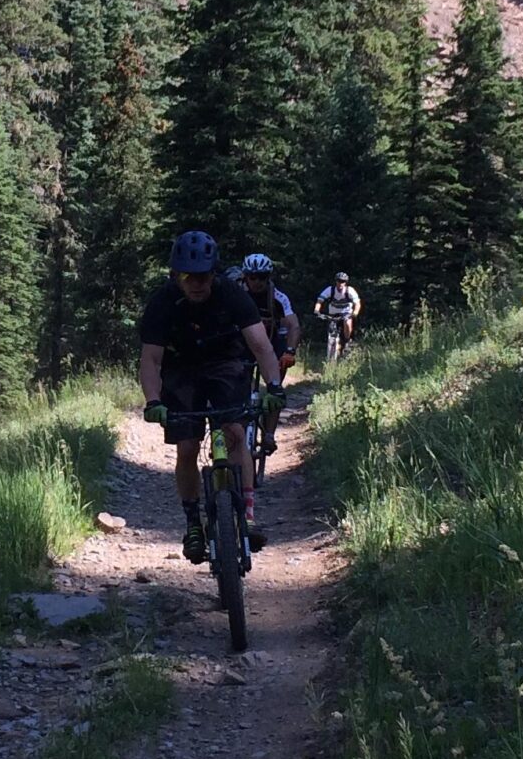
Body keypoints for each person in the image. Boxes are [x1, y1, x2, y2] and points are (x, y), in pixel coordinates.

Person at [138, 230, 285, 565]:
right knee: (187, 447)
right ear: (176, 275)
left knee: (235, 433)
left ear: (213, 273)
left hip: (226, 364)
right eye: (189, 277)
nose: (197, 284)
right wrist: (153, 400)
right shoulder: (162, 302)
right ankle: (193, 523)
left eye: (203, 276)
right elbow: (151, 359)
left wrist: (274, 386)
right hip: (181, 371)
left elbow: (261, 346)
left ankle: (246, 515)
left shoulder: (232, 295)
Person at [238, 254, 300, 454]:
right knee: (236, 383)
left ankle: (269, 435)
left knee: (275, 390)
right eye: (252, 277)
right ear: (245, 276)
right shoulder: (236, 294)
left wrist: (290, 351)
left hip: (274, 344)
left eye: (262, 277)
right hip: (245, 344)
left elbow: (293, 325)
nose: (257, 282)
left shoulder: (278, 297)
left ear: (268, 277)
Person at [314, 271, 363, 357]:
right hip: (333, 314)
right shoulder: (330, 290)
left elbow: (357, 303)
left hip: (346, 312)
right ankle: (332, 352)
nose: (341, 283)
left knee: (347, 322)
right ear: (336, 281)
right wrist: (317, 310)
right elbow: (320, 300)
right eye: (339, 281)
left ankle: (347, 341)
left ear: (346, 282)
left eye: (343, 281)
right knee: (331, 330)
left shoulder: (350, 290)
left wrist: (355, 312)